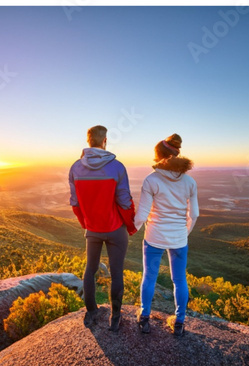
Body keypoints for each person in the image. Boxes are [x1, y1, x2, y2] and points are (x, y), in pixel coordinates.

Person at [69, 125, 137, 331]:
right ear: (104, 141)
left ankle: (91, 312)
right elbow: (124, 201)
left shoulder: (75, 168)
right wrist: (130, 223)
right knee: (117, 272)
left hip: (93, 230)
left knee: (90, 270)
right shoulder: (117, 167)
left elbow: (75, 203)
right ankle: (115, 317)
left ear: (88, 141)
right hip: (116, 228)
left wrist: (86, 224)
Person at [134, 134, 199, 336]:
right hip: (179, 239)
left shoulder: (151, 180)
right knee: (179, 280)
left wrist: (132, 230)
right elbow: (194, 214)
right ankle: (179, 322)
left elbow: (142, 214)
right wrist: (184, 232)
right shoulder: (189, 182)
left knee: (149, 277)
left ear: (159, 156)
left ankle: (144, 318)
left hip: (154, 237)